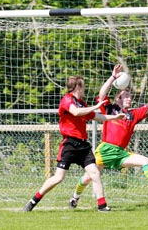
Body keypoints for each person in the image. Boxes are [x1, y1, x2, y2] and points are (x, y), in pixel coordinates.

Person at [69, 65, 148, 209]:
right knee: (88, 177)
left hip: (121, 153)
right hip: (106, 150)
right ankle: (75, 197)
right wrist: (113, 77)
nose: (129, 98)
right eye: (126, 96)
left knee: (146, 161)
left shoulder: (133, 114)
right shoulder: (110, 109)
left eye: (130, 96)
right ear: (118, 99)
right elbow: (101, 94)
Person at [23, 75, 125, 212]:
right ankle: (33, 200)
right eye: (83, 86)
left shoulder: (82, 103)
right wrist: (95, 106)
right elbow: (76, 112)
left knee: (95, 173)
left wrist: (114, 117)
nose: (85, 89)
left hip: (83, 146)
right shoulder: (67, 100)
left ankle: (102, 205)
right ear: (77, 87)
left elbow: (96, 116)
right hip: (70, 144)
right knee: (58, 177)